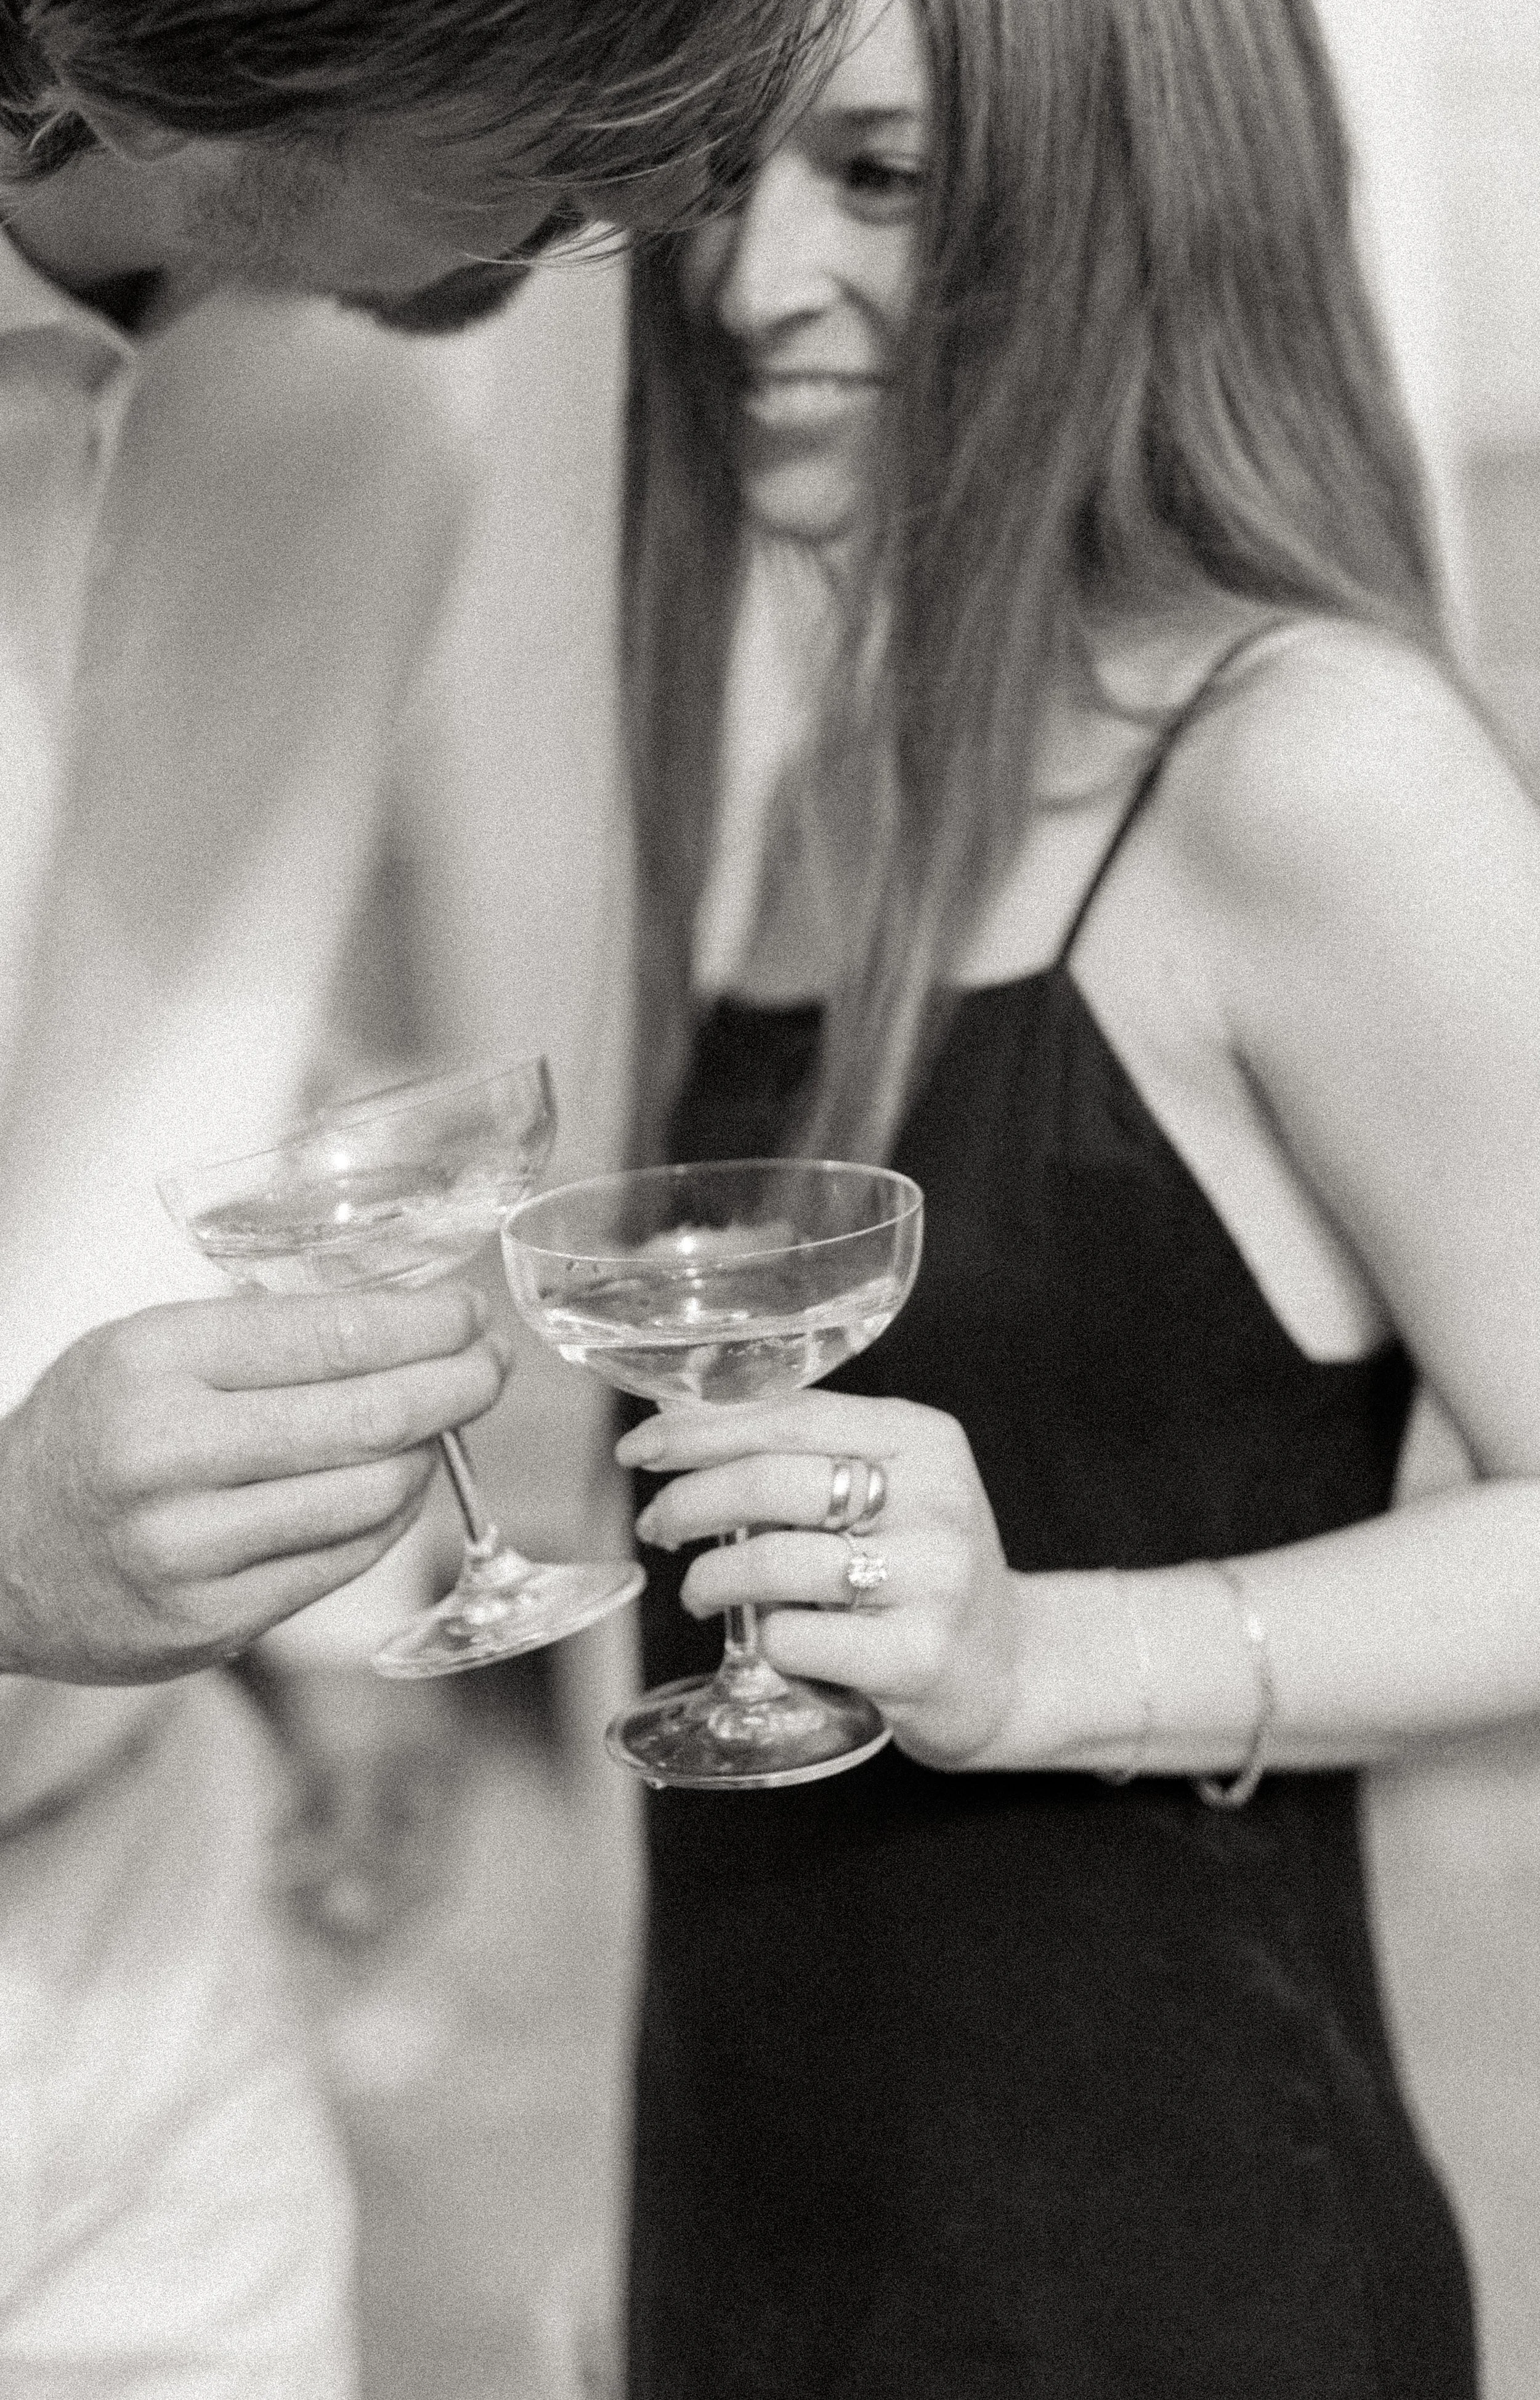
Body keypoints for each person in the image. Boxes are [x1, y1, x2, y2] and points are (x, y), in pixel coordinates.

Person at [613, 0, 1540, 2390]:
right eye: (723, 171)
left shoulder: (1307, 769)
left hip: (1159, 2286)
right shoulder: (855, 759)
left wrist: (1042, 1661)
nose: (743, 283)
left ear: (1130, 187)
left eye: (884, 179)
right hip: (782, 2265)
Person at [0, 0, 843, 2386]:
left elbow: (153, 1012)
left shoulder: (384, 391)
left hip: (149, 1931)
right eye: (576, 110)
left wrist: (325, 1605)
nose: (647, 215)